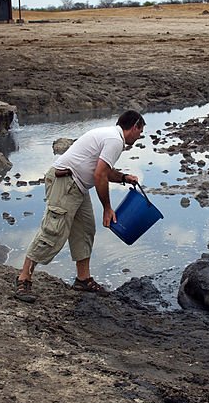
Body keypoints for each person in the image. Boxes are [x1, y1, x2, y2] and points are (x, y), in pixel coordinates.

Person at [14, 110, 145, 303]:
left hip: (76, 185)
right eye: (140, 131)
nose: (140, 135)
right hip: (65, 183)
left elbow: (103, 171)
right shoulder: (115, 140)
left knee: (85, 229)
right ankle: (23, 279)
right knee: (53, 231)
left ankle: (83, 280)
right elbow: (99, 175)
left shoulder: (110, 135)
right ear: (134, 127)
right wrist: (108, 208)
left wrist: (124, 178)